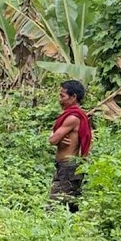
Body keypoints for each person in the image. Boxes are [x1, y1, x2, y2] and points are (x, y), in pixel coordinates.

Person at [49, 79, 93, 212]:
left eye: (63, 96)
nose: (60, 99)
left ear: (73, 97)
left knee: (54, 207)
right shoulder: (74, 116)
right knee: (71, 206)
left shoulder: (73, 118)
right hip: (67, 167)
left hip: (68, 168)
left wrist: (56, 138)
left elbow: (52, 139)